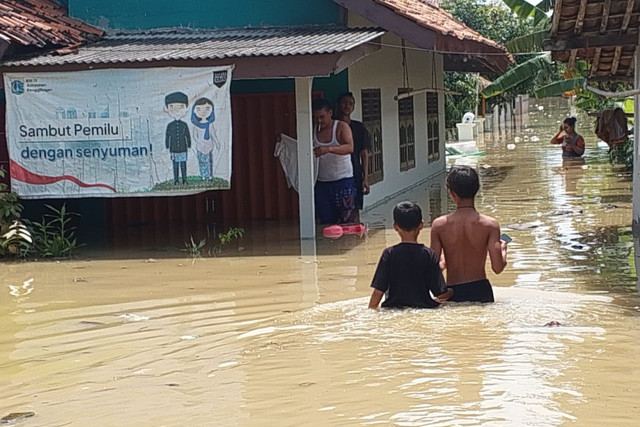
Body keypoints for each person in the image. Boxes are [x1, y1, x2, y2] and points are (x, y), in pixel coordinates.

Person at [430, 166, 508, 303]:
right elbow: (497, 268)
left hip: (452, 291)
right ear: (476, 190)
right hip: (481, 290)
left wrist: (445, 261)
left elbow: (432, 269)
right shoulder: (490, 224)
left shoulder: (439, 225)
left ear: (452, 193)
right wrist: (503, 249)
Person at [369, 201, 453, 309]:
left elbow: (378, 292)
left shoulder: (389, 254)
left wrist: (371, 311)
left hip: (393, 311)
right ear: (421, 225)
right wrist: (452, 291)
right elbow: (440, 294)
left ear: (395, 226)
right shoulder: (428, 254)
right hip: (424, 310)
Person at [312, 98, 357, 224]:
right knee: (325, 223)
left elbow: (350, 147)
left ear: (330, 113)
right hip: (322, 183)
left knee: (347, 221)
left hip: (343, 181)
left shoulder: (342, 127)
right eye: (316, 118)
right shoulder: (312, 130)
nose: (319, 121)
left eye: (322, 117)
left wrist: (328, 149)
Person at [335, 92, 372, 221]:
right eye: (345, 103)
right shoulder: (331, 127)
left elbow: (364, 153)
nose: (348, 106)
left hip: (355, 171)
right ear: (338, 105)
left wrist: (365, 178)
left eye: (351, 103)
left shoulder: (359, 128)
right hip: (335, 174)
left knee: (354, 210)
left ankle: (354, 238)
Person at [164, 91, 191, 185]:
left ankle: (184, 179)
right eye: (172, 107)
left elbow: (187, 135)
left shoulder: (184, 125)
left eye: (180, 107)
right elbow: (168, 136)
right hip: (174, 149)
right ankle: (176, 180)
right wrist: (167, 146)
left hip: (183, 148)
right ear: (167, 108)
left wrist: (189, 144)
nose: (176, 110)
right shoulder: (170, 125)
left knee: (183, 164)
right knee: (175, 165)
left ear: (186, 108)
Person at [190, 97, 220, 181]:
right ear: (194, 111)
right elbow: (195, 136)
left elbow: (213, 135)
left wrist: (217, 143)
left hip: (209, 145)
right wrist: (198, 142)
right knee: (202, 162)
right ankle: (203, 176)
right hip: (200, 146)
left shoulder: (210, 125)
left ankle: (210, 176)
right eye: (199, 109)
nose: (203, 112)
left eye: (207, 109)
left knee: (209, 161)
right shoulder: (196, 125)